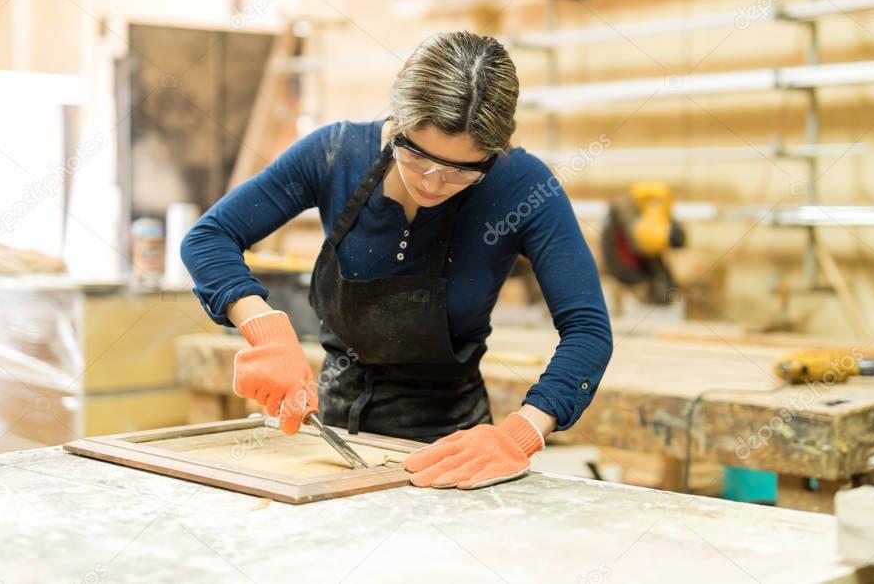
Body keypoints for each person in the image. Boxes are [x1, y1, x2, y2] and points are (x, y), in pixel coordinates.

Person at [181, 30, 612, 489]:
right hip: (328, 441)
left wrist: (521, 433)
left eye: (461, 171)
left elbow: (588, 330)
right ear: (397, 115)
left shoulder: (521, 187)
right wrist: (263, 328)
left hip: (454, 458)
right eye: (416, 155)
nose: (432, 182)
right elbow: (209, 237)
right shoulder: (335, 155)